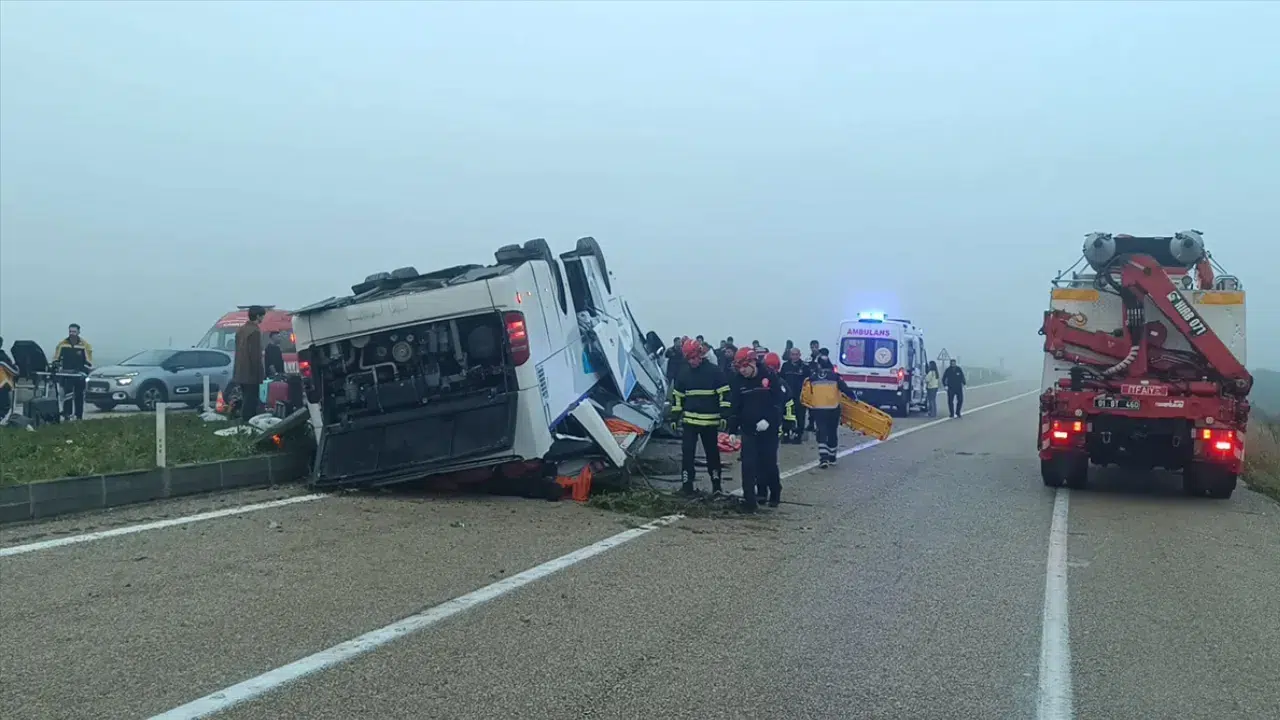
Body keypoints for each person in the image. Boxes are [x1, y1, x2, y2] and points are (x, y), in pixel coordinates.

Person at [727, 347, 787, 512]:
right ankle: (750, 501)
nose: (742, 371)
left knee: (767, 464)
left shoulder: (769, 377)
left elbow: (778, 403)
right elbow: (735, 407)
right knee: (748, 465)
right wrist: (732, 430)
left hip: (768, 430)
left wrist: (769, 420)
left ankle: (774, 492)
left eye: (744, 367)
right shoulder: (738, 381)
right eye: (739, 368)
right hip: (748, 430)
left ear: (753, 362)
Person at [671, 338, 731, 495]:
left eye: (694, 358)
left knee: (712, 454)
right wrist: (674, 416)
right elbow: (678, 397)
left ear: (700, 354)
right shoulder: (683, 372)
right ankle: (687, 486)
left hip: (710, 422)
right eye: (689, 359)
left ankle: (717, 486)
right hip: (690, 422)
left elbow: (724, 395)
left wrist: (725, 416)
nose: (692, 362)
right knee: (687, 453)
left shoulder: (715, 371)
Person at [802, 355, 857, 468]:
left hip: (818, 409)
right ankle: (832, 457)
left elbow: (806, 392)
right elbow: (845, 389)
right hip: (833, 408)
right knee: (832, 432)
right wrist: (854, 399)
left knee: (822, 432)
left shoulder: (813, 377)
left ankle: (823, 458)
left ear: (819, 364)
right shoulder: (835, 377)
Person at [233, 306, 267, 422]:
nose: (263, 318)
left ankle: (244, 420)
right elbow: (255, 356)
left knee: (245, 397)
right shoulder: (255, 331)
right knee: (251, 400)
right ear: (258, 316)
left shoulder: (240, 330)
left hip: (240, 371)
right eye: (262, 316)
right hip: (251, 373)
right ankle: (248, 422)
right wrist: (260, 373)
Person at [52, 323, 93, 420]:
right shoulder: (62, 344)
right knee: (67, 395)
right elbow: (56, 358)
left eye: (74, 331)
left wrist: (83, 371)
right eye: (70, 331)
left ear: (79, 332)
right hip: (66, 374)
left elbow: (89, 362)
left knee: (79, 395)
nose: (72, 333)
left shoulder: (85, 345)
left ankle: (79, 416)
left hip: (79, 375)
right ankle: (67, 415)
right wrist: (56, 366)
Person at [779, 347, 810, 443]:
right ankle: (786, 434)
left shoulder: (805, 367)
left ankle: (798, 435)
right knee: (786, 416)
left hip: (800, 396)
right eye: (793, 354)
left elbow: (809, 382)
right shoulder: (785, 366)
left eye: (796, 354)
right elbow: (781, 380)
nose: (794, 356)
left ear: (800, 355)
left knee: (800, 416)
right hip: (787, 396)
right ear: (790, 355)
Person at [0, 337, 17, 424]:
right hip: (2, 385)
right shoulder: (2, 357)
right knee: (4, 406)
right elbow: (14, 372)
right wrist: (16, 366)